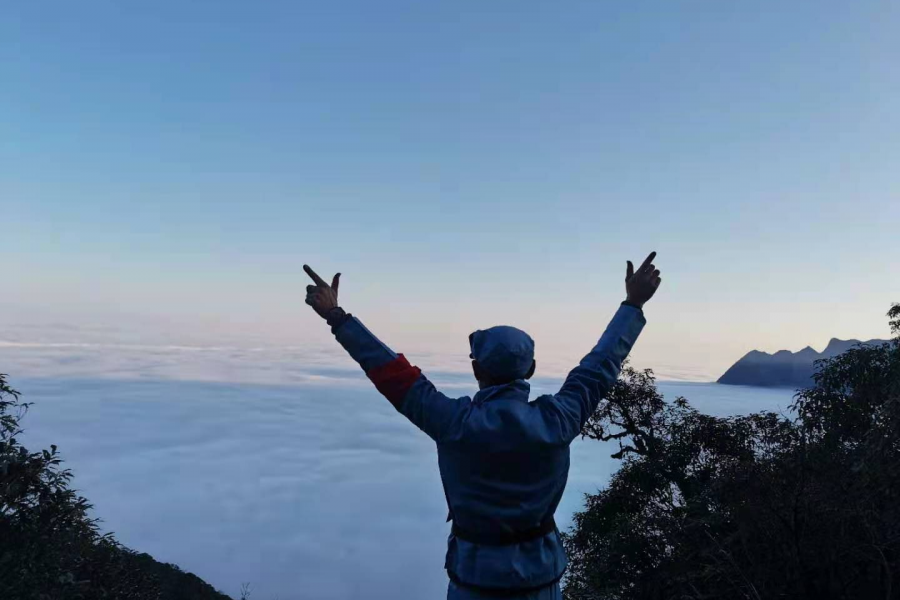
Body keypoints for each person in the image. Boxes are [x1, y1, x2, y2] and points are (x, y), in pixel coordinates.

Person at [304, 252, 662, 599]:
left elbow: (390, 373)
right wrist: (633, 304)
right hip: (540, 581)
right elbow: (601, 364)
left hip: (474, 582)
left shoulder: (454, 423)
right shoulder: (559, 419)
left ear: (477, 370)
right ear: (531, 370)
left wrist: (336, 316)